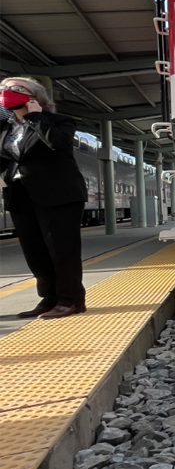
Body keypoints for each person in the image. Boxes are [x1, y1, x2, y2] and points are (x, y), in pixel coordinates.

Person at [0, 76, 88, 320]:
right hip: (20, 196)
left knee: (62, 251)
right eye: (3, 89)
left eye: (15, 89)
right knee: (35, 252)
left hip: (59, 195)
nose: (6, 92)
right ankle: (48, 299)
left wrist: (35, 116)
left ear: (35, 96)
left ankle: (71, 300)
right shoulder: (5, 128)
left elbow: (56, 143)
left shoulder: (60, 121)